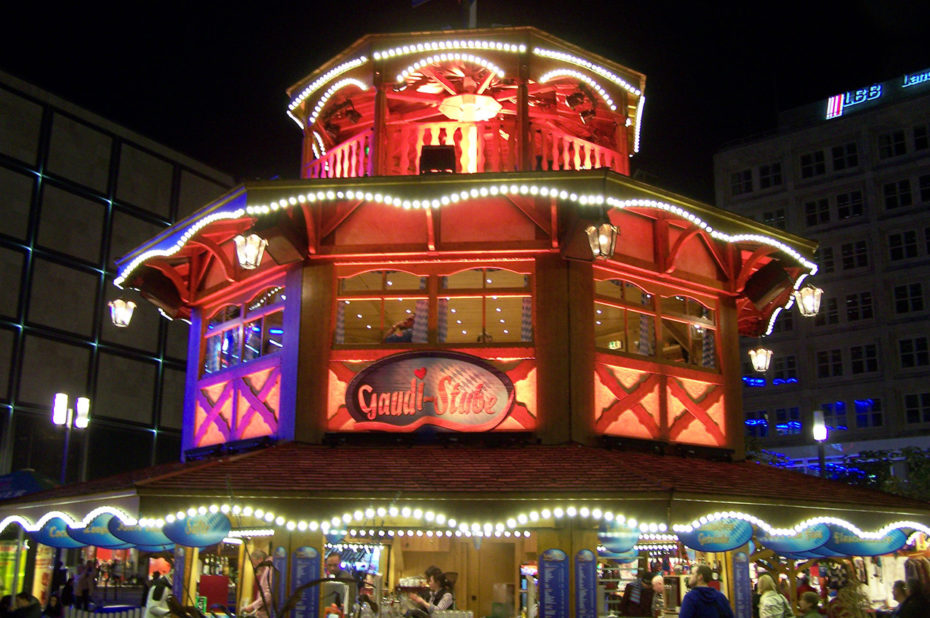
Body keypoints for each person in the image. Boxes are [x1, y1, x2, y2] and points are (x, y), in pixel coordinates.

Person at [241, 550, 274, 618]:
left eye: (254, 563)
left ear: (260, 559)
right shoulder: (266, 569)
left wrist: (252, 606)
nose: (254, 566)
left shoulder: (270, 569)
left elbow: (269, 595)